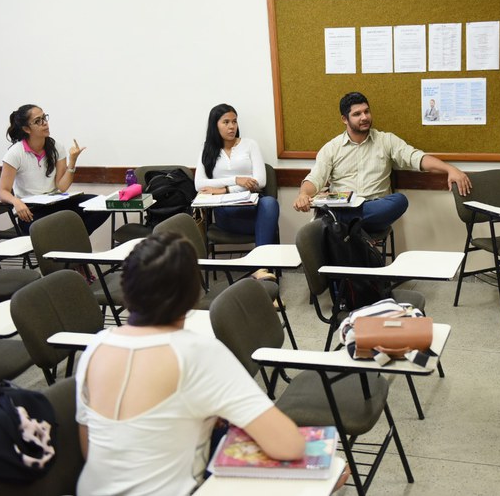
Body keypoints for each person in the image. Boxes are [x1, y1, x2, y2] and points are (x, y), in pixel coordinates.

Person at [75, 232, 305, 495]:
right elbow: (289, 445)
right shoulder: (198, 353)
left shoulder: (96, 346)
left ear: (125, 288)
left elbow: (89, 448)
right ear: (193, 294)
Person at [293, 92, 471, 231]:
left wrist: (449, 169)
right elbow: (315, 178)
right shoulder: (332, 148)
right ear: (344, 119)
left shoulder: (386, 140)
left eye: (366, 111)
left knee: (399, 201)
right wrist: (303, 194)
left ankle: (344, 224)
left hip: (375, 210)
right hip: (343, 206)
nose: (364, 117)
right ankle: (349, 229)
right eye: (357, 114)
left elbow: (415, 157)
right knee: (327, 229)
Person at [0, 104, 109, 235]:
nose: (45, 123)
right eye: (38, 121)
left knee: (103, 204)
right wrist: (16, 202)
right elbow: (2, 192)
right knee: (52, 228)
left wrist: (72, 161)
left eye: (44, 118)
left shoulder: (56, 147)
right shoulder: (15, 153)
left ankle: (75, 239)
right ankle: (71, 241)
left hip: (55, 204)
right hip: (31, 211)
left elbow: (62, 187)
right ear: (26, 129)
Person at [195, 103, 279, 247]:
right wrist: (236, 180)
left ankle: (261, 267)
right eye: (226, 122)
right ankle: (262, 265)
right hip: (226, 213)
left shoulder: (250, 145)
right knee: (266, 225)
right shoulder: (207, 149)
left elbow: (261, 181)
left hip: (252, 207)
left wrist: (226, 189)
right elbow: (199, 184)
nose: (232, 126)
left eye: (234, 121)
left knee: (270, 203)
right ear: (215, 125)